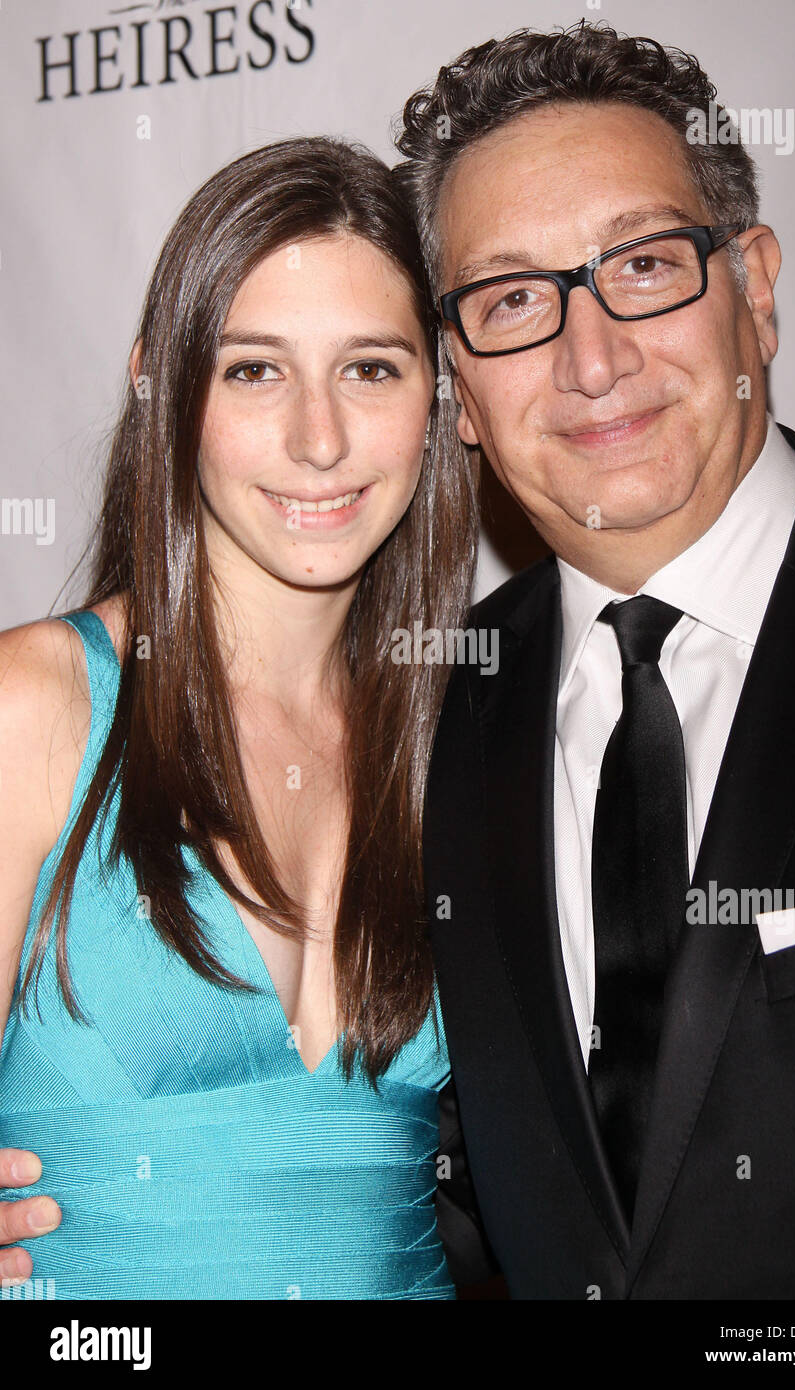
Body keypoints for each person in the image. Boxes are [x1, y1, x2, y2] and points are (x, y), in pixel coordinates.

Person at [394, 22, 795, 1298]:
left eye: (643, 263)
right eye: (511, 299)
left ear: (755, 285)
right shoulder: (421, 716)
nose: (591, 355)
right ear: (456, 381)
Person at [0, 136, 477, 1299]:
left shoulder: (461, 744)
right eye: (253, 370)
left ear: (439, 398)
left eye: (370, 369)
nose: (319, 439)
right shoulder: (36, 706)